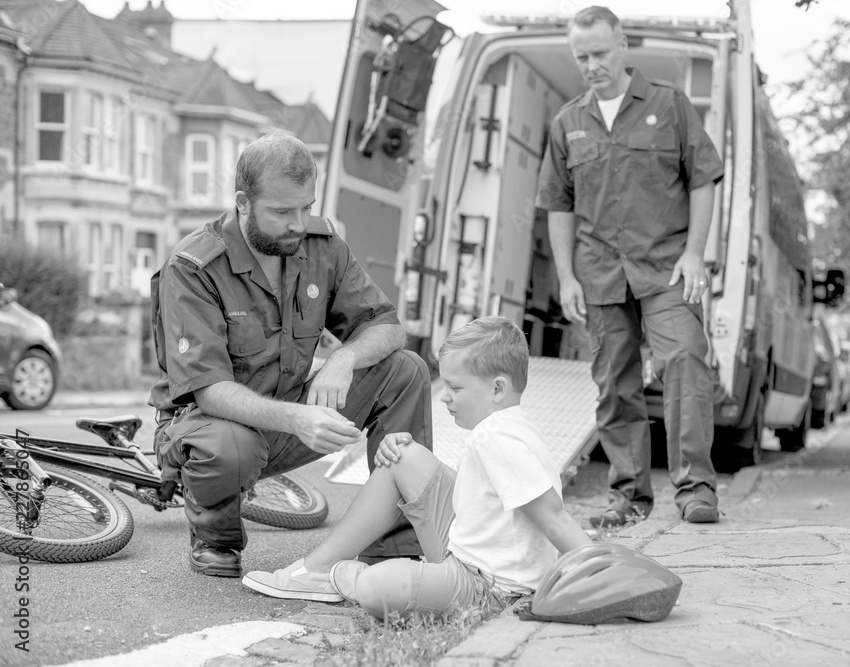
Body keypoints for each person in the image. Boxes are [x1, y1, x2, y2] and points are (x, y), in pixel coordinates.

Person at [149, 132, 434, 577]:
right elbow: (208, 391)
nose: (299, 223)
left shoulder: (320, 246)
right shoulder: (192, 267)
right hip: (211, 429)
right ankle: (216, 536)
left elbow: (387, 326)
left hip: (285, 418)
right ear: (243, 202)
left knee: (406, 370)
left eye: (307, 206)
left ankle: (395, 548)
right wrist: (300, 419)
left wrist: (342, 360)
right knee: (227, 446)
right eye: (282, 211)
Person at [241, 316, 593, 619]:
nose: (444, 396)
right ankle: (317, 571)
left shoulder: (496, 439)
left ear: (498, 388)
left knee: (377, 587)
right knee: (403, 456)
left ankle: (342, 577)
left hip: (487, 587)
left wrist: (595, 569)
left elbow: (553, 516)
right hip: (469, 554)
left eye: (455, 387)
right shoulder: (512, 425)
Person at [535, 6, 725, 526]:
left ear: (622, 44)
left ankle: (696, 489)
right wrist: (567, 276)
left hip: (667, 267)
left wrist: (695, 253)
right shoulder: (568, 122)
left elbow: (703, 179)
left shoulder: (670, 104)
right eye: (582, 57)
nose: (592, 64)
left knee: (686, 358)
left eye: (599, 53)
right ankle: (629, 497)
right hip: (600, 273)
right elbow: (558, 205)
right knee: (615, 385)